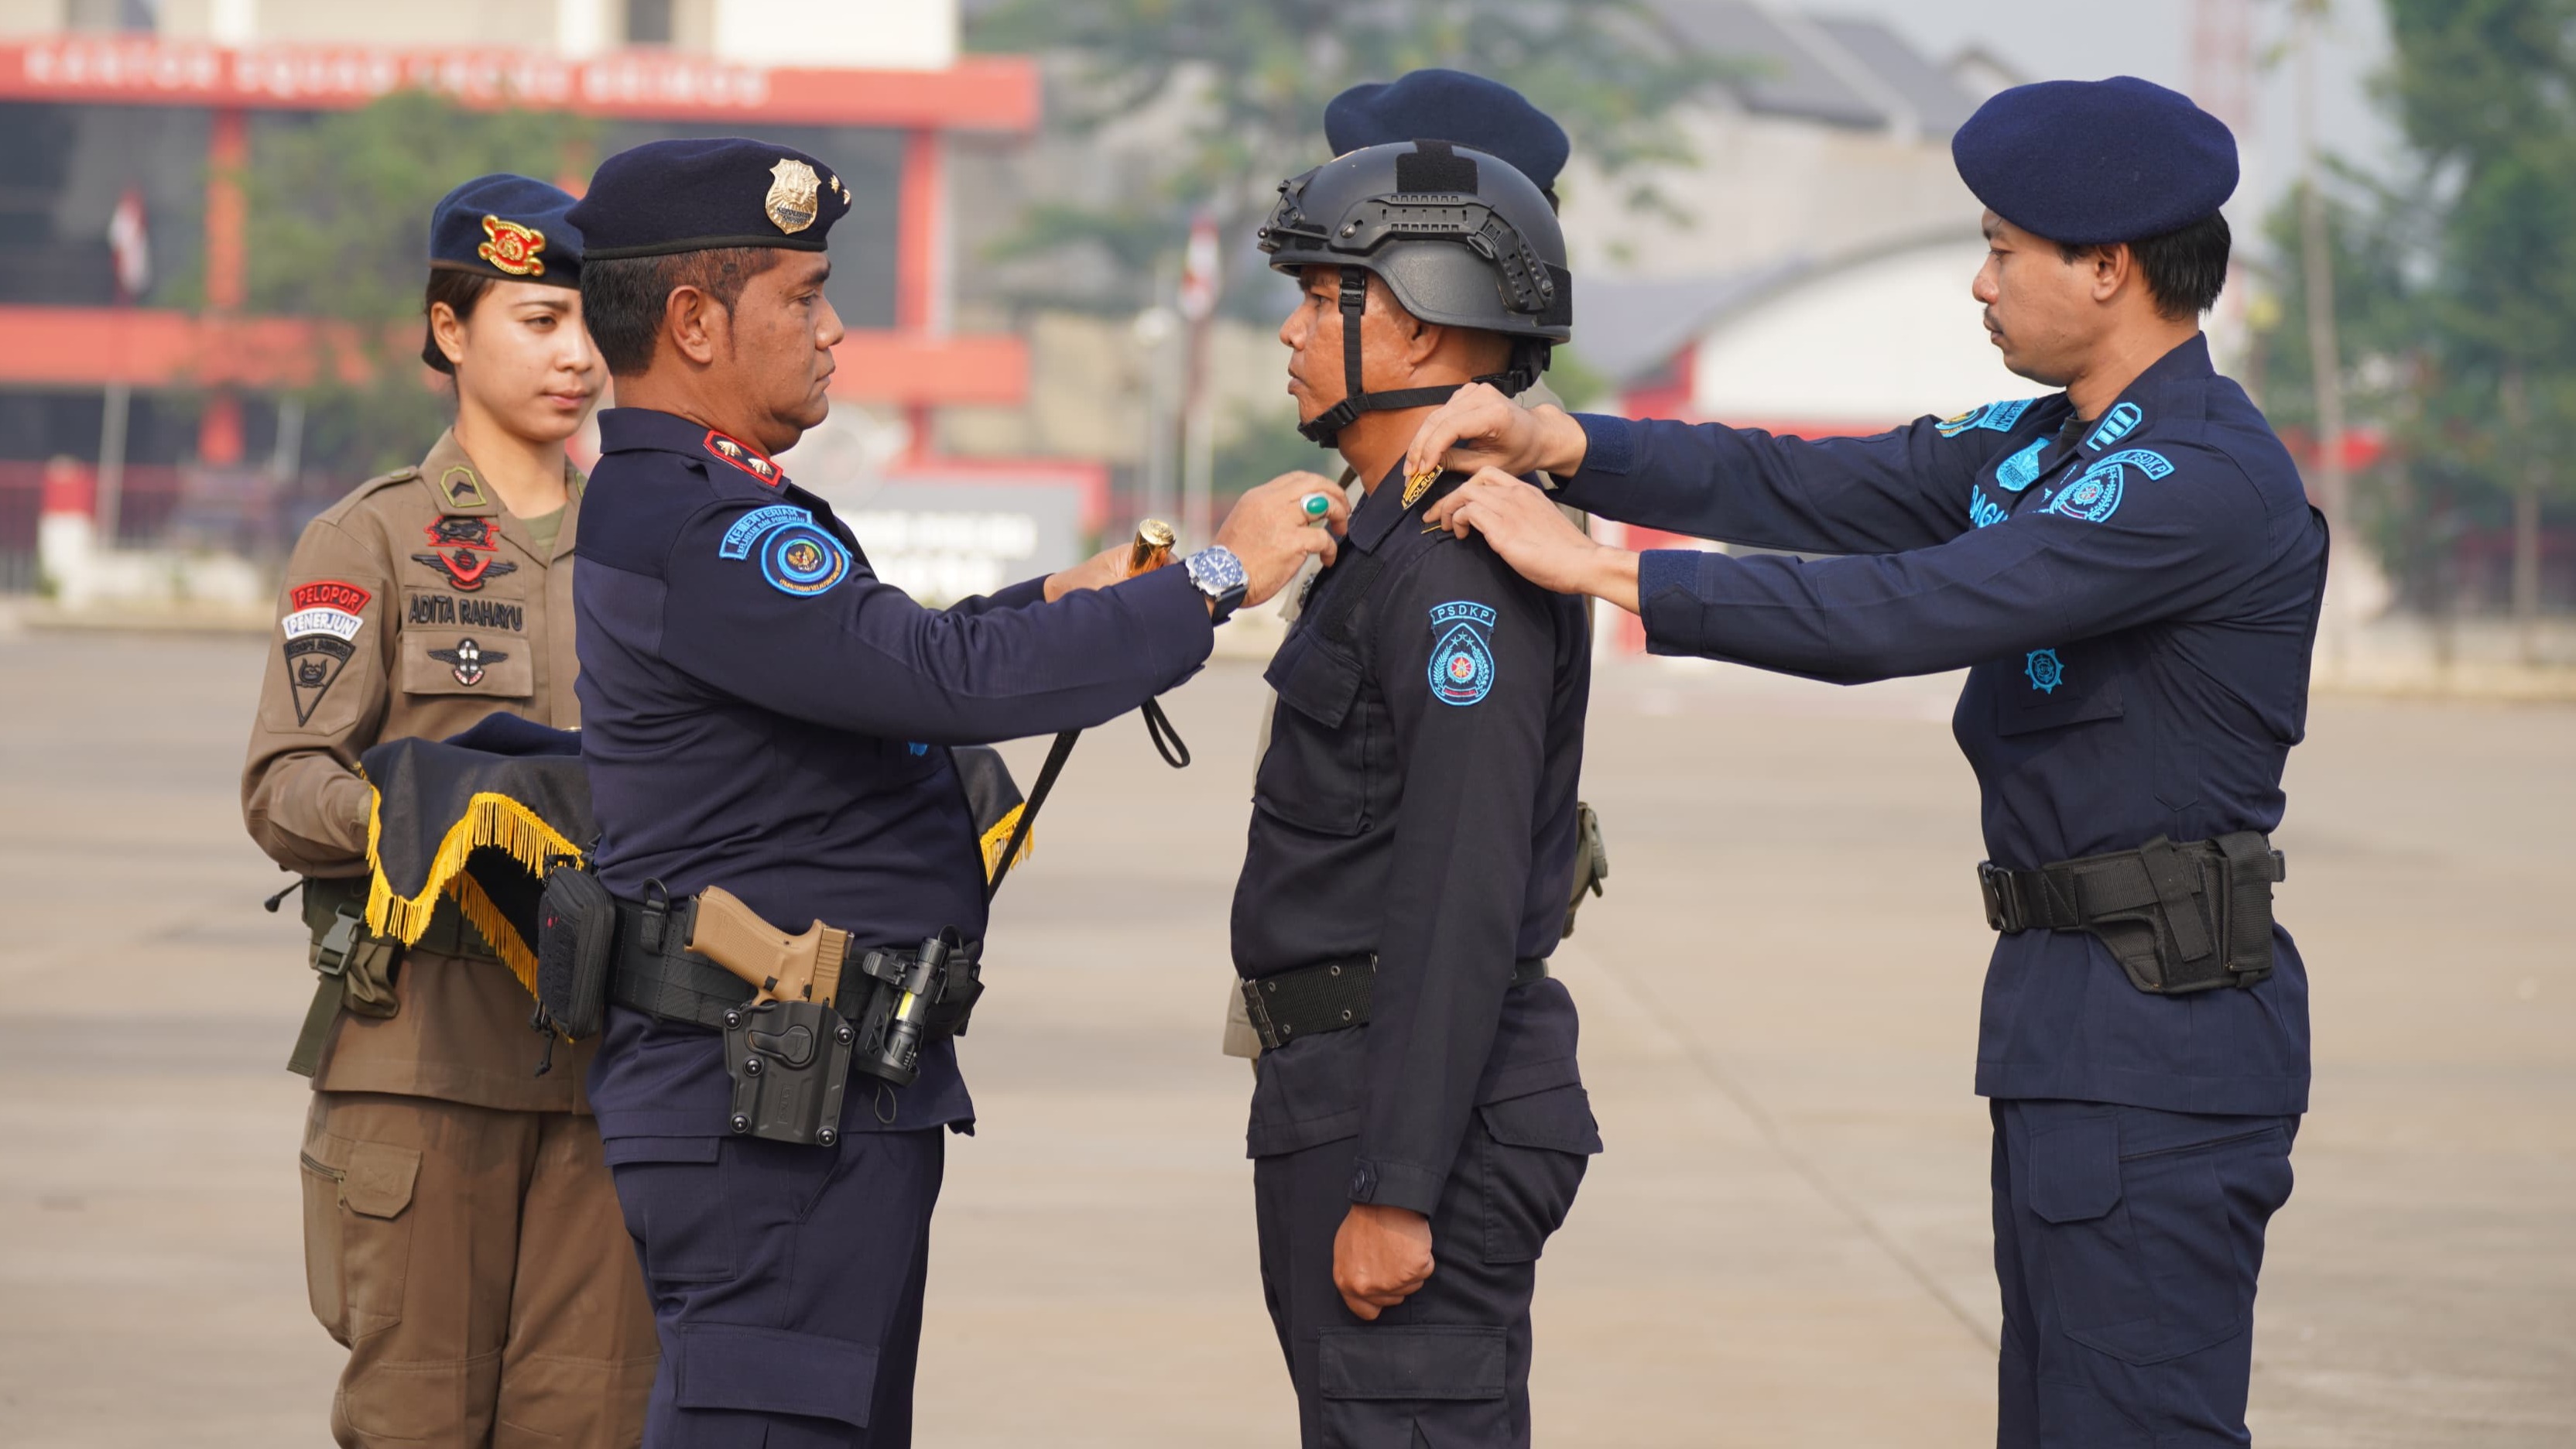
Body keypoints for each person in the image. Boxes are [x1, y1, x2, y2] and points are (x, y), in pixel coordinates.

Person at [1411, 77, 2322, 1447]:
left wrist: (1600, 571)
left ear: (2108, 267)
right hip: (2079, 1018)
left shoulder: (2190, 481)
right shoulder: (2051, 449)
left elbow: (1909, 611)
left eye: (2005, 250)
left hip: (2164, 1036)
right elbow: (1801, 484)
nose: (1980, 283)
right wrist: (1571, 442)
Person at [559, 136, 1345, 1448]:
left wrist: (1057, 599)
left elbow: (870, 666)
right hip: (759, 1109)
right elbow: (934, 676)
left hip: (809, 1093)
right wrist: (1210, 581)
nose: (834, 329)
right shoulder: (705, 524)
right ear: (693, 321)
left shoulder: (703, 505)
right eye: (801, 298)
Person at [242, 174, 656, 1447]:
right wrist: (418, 816)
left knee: (588, 1421)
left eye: (589, 324)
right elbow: (283, 782)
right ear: (447, 331)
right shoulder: (368, 539)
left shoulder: (652, 546)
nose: (575, 356)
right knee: (415, 1421)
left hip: (616, 1064)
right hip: (420, 1053)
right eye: (537, 321)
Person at [1232, 138, 1601, 1448]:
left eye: (1320, 292)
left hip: (1409, 1109)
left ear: (1426, 326)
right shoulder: (1384, 536)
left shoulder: (1460, 565)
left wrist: (1398, 1185)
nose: (1285, 329)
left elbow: (1461, 881)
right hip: (1350, 1086)